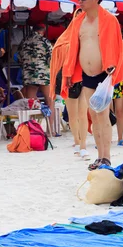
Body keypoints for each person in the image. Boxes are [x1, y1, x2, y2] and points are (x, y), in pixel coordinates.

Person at [62, 0, 123, 170]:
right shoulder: (78, 21)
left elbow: (117, 46)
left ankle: (106, 157)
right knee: (94, 116)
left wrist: (112, 68)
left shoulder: (109, 20)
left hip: (104, 74)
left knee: (103, 116)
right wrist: (69, 71)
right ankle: (100, 156)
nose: (79, 1)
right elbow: (72, 47)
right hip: (86, 75)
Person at [50, 11, 89, 160]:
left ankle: (83, 145)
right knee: (73, 114)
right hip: (69, 77)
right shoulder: (66, 36)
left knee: (82, 112)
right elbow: (57, 51)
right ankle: (77, 143)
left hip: (84, 76)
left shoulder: (88, 36)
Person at [18, 24, 55, 134]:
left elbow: (19, 57)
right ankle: (50, 130)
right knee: (50, 100)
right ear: (43, 31)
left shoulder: (24, 41)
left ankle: (33, 129)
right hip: (43, 74)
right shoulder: (44, 41)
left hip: (29, 74)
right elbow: (51, 58)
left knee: (31, 103)